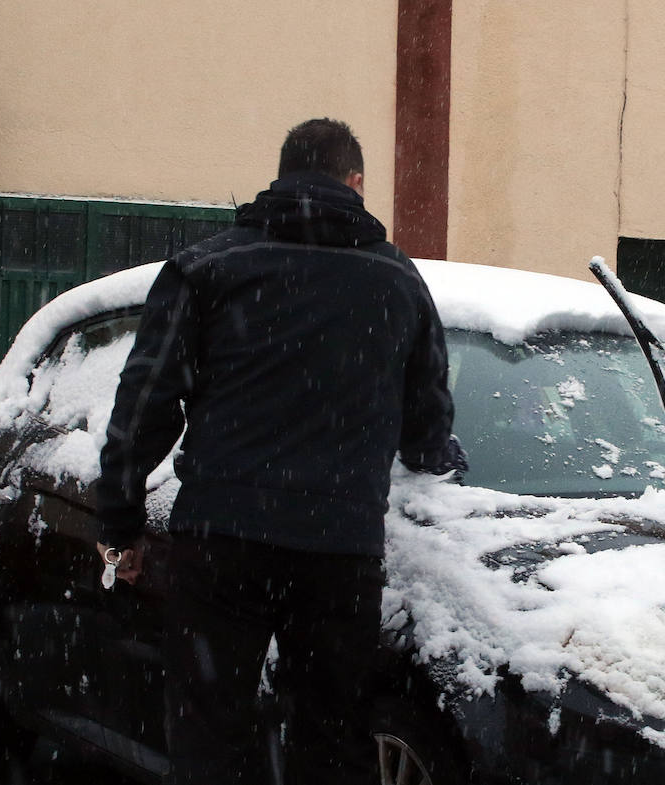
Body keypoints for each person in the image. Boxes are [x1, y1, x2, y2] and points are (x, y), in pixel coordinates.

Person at [93, 118, 465, 785]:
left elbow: (144, 403)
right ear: (355, 183)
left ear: (282, 175)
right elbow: (428, 419)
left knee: (211, 737)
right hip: (339, 552)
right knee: (330, 741)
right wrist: (437, 458)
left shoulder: (208, 269)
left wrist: (118, 522)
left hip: (222, 538)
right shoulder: (398, 282)